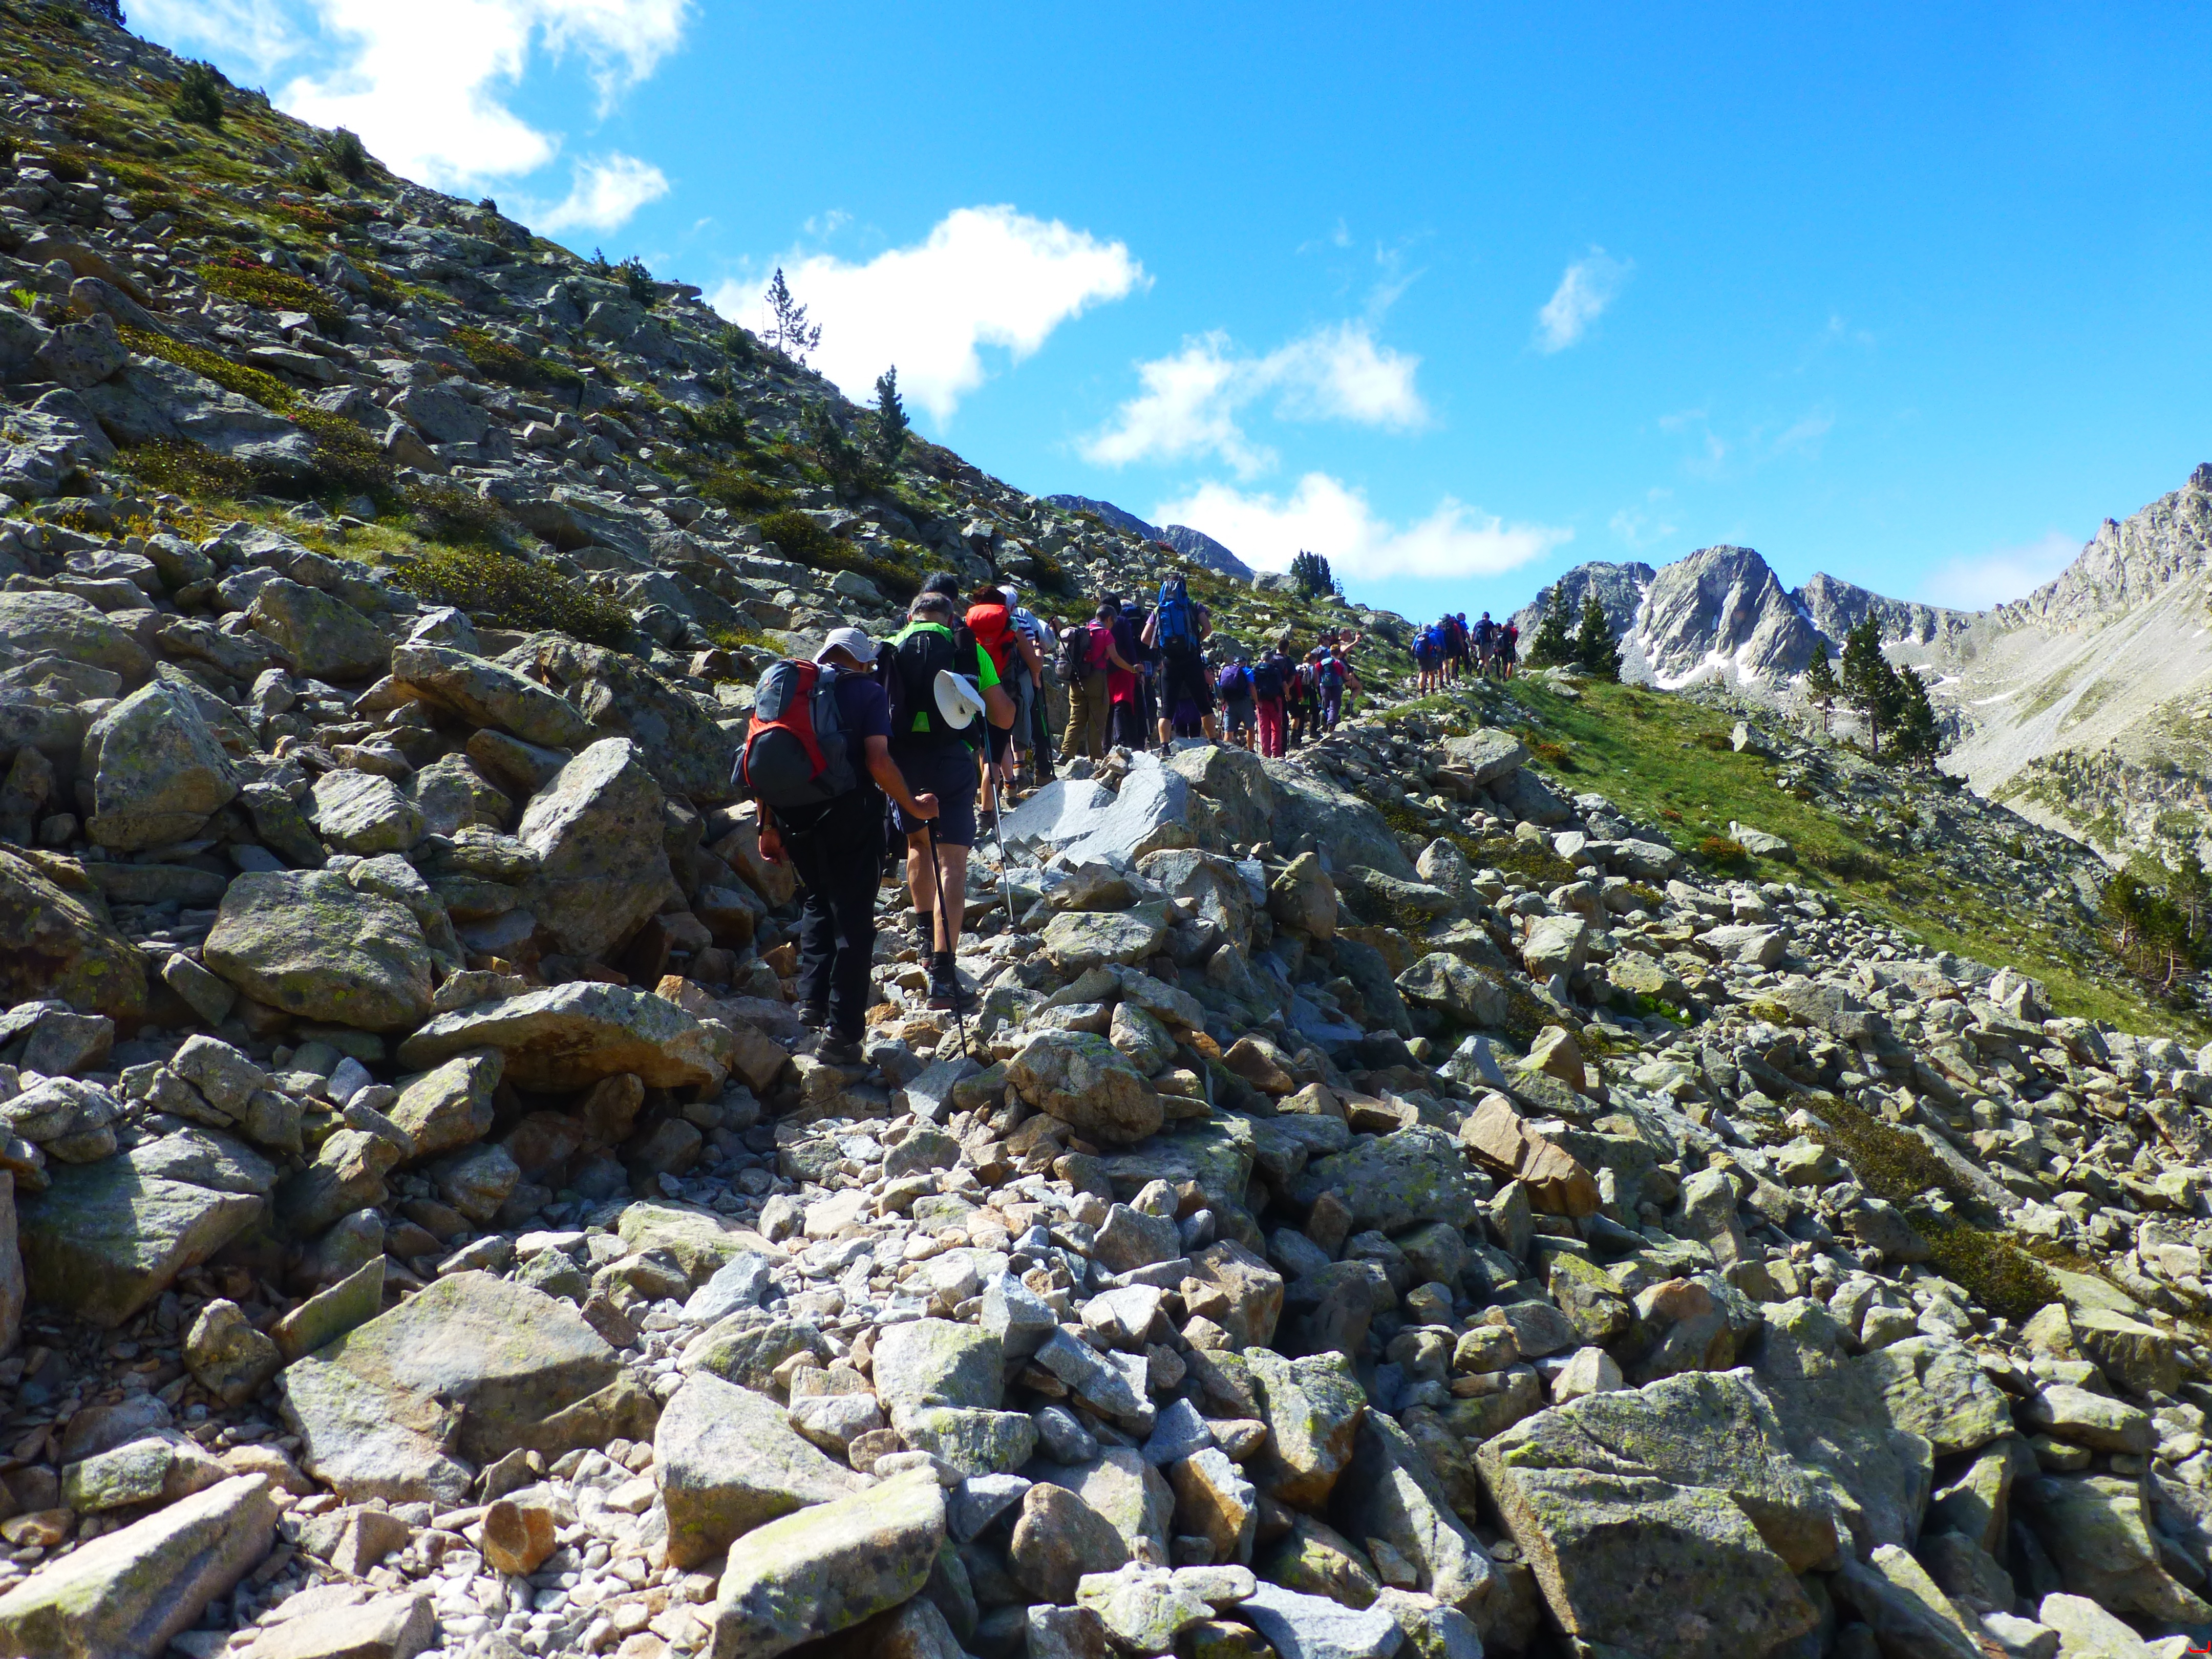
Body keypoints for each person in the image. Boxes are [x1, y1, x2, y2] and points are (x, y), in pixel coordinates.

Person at [753, 628, 939, 1065]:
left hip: (793, 817)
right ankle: (843, 1035)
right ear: (862, 660)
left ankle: (812, 1004)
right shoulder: (866, 691)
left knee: (818, 899)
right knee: (853, 919)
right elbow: (878, 761)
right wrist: (913, 805)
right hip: (850, 816)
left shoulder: (784, 687)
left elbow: (761, 756)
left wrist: (767, 825)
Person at [883, 591, 1014, 1011]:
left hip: (902, 762)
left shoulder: (891, 644)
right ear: (950, 617)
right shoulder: (966, 648)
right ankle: (943, 976)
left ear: (911, 615)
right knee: (953, 863)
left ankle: (925, 939)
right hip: (952, 758)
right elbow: (1003, 716)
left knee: (918, 845)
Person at [1144, 576, 1218, 746]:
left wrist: (1162, 647)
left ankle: (1165, 746)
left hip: (1170, 662)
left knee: (1167, 709)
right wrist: (1195, 642)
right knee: (1203, 704)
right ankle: (1213, 741)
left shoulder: (1159, 609)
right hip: (1192, 660)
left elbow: (1145, 638)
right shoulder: (1193, 605)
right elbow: (1208, 629)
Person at [1059, 603, 1128, 760]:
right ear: (1109, 619)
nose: (1112, 626)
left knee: (1076, 718)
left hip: (1077, 680)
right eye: (1113, 622)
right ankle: (1096, 756)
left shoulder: (1083, 632)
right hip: (1096, 679)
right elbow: (1115, 658)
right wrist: (1132, 669)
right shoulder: (1105, 634)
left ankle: (1066, 753)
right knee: (1097, 719)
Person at [1004, 587, 1052, 783]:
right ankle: (1038, 772)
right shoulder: (1020, 620)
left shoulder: (991, 624)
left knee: (1002, 728)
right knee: (1033, 724)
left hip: (997, 681)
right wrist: (1036, 676)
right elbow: (1032, 652)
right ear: (1014, 605)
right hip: (1023, 679)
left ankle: (1006, 781)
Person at [1251, 642, 1290, 758]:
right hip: (1275, 701)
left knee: (1264, 728)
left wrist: (1256, 701)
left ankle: (1265, 753)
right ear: (1272, 659)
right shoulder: (1276, 669)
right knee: (1276, 728)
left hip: (1261, 701)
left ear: (1262, 659)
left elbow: (1252, 686)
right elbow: (1284, 685)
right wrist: (1288, 695)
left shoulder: (1256, 670)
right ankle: (1276, 753)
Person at [1215, 653, 1255, 749]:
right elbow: (1252, 686)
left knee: (1228, 730)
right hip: (1244, 702)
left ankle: (1226, 751)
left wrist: (1223, 700)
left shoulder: (1226, 671)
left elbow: (1218, 686)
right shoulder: (1247, 671)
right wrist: (1256, 701)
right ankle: (1251, 750)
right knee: (1250, 728)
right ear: (1245, 663)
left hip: (1229, 703)